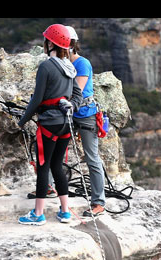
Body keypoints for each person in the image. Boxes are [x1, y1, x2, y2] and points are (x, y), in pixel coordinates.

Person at [17, 24, 82, 226]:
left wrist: (22, 120)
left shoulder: (46, 66)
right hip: (65, 123)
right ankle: (64, 211)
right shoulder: (70, 67)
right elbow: (78, 95)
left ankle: (38, 214)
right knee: (57, 166)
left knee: (43, 166)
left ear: (50, 42)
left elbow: (37, 99)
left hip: (49, 123)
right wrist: (70, 104)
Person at [66, 26, 106, 217]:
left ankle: (98, 202)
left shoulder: (82, 64)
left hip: (85, 114)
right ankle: (49, 187)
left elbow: (78, 91)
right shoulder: (62, 63)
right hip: (69, 113)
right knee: (53, 151)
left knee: (92, 157)